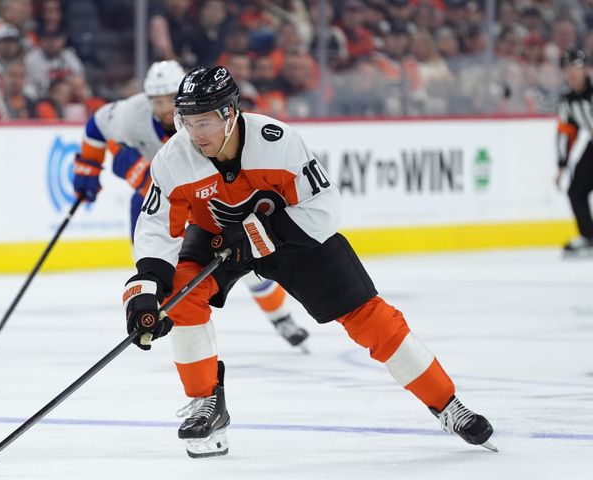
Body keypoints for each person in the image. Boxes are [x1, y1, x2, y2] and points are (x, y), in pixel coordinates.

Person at [121, 65, 496, 458]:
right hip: (216, 237)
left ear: (230, 114)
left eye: (204, 123)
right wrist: (147, 287)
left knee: (368, 315)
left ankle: (447, 404)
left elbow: (324, 208)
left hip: (292, 238)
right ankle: (206, 405)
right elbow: (156, 226)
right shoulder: (173, 158)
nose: (195, 136)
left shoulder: (277, 141)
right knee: (180, 297)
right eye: (188, 123)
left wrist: (265, 237)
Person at [73, 60, 310, 349]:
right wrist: (88, 167)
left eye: (168, 100)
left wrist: (137, 173)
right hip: (159, 198)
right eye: (155, 101)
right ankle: (171, 327)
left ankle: (280, 317)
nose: (162, 108)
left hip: (204, 197)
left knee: (244, 265)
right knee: (154, 267)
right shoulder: (131, 114)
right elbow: (97, 126)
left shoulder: (200, 119)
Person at [556, 48, 593, 257]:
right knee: (576, 190)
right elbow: (566, 133)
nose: (572, 73)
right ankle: (588, 236)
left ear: (586, 69)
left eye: (576, 67)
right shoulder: (568, 100)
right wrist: (561, 165)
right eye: (568, 68)